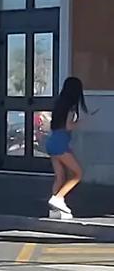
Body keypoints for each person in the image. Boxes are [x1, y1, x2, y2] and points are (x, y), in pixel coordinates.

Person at [46, 76, 88, 220]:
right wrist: (80, 123)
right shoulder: (70, 107)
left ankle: (54, 211)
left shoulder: (59, 104)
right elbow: (68, 126)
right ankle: (58, 199)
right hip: (60, 143)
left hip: (52, 141)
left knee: (60, 176)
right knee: (78, 173)